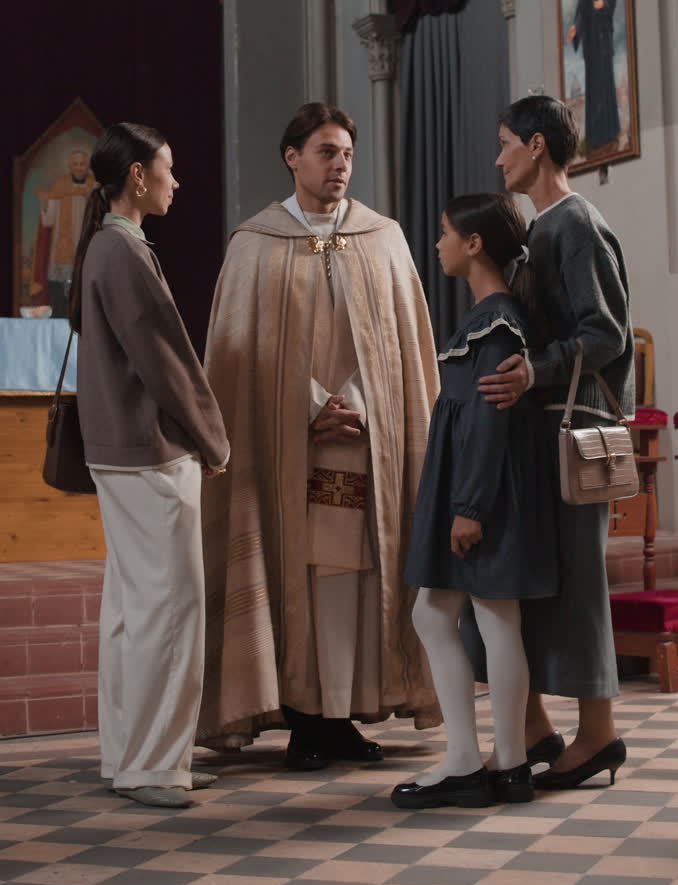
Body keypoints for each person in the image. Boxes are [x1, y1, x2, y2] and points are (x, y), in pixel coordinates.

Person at [198, 102, 440, 769]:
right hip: (288, 446)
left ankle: (345, 714)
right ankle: (307, 718)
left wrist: (355, 401)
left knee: (359, 580)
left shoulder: (382, 238)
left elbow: (400, 346)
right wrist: (309, 407)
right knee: (301, 574)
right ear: (292, 157)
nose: (340, 166)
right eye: (327, 152)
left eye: (348, 155)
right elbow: (241, 357)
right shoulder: (255, 244)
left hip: (368, 438)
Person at [68, 122, 230, 809]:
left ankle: (130, 753)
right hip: (150, 453)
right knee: (170, 611)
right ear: (136, 175)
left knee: (133, 610)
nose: (176, 181)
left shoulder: (103, 245)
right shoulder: (125, 253)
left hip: (116, 450)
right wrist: (214, 439)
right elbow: (168, 365)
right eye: (168, 169)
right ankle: (156, 766)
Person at [477, 94, 633, 790]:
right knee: (535, 582)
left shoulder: (576, 225)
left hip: (577, 432)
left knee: (580, 585)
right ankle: (537, 727)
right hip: (542, 429)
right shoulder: (540, 230)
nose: (499, 155)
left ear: (537, 145)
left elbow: (607, 335)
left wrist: (535, 368)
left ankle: (599, 734)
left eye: (507, 142)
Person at [391, 194, 557, 810]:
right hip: (474, 490)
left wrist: (471, 507)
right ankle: (508, 765)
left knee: (440, 615)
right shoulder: (495, 318)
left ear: (475, 243)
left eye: (443, 233)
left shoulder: (496, 322)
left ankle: (469, 761)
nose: (438, 245)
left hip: (477, 493)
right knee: (486, 616)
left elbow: (489, 424)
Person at [566, 0, 620, 154]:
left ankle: (609, 130)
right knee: (593, 84)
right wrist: (575, 27)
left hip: (602, 36)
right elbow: (581, 8)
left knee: (605, 81)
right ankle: (595, 136)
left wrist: (603, 6)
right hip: (590, 40)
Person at [31, 149, 95, 316]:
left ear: (87, 165)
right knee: (60, 297)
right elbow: (49, 220)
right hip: (62, 248)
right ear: (70, 166)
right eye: (75, 164)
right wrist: (45, 203)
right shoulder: (59, 185)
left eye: (82, 164)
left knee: (84, 291)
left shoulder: (95, 187)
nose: (79, 167)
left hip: (86, 245)